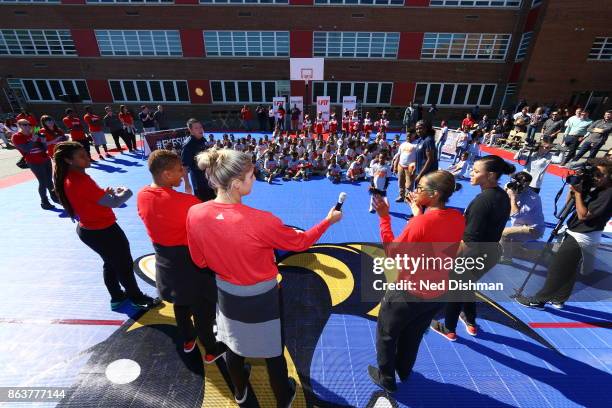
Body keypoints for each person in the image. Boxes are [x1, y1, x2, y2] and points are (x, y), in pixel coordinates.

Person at [186, 148, 342, 406]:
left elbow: (199, 260)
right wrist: (328, 221)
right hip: (262, 297)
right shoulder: (262, 221)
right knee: (273, 352)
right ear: (236, 184)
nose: (255, 179)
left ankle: (240, 392)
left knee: (233, 345)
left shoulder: (195, 213)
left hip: (225, 293)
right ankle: (284, 397)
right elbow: (301, 242)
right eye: (250, 175)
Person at [367, 170, 465, 393]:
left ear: (435, 193)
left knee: (387, 335)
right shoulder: (458, 218)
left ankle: (387, 379)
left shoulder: (420, 223)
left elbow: (393, 253)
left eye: (420, 188)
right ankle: (404, 370)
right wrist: (418, 212)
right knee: (414, 334)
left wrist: (384, 217)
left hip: (408, 292)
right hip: (437, 291)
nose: (415, 191)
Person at [137, 150, 223, 362]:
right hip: (190, 263)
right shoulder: (187, 203)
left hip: (166, 263)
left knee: (180, 302)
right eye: (178, 170)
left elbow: (174, 204)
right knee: (203, 308)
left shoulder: (143, 195)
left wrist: (184, 182)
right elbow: (211, 220)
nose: (182, 172)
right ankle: (211, 349)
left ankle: (187, 339)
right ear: (166, 174)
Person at [53, 141, 160, 310]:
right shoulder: (80, 181)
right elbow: (114, 202)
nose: (87, 157)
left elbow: (92, 198)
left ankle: (116, 297)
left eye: (86, 153)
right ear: (68, 160)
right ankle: (137, 298)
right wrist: (126, 192)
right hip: (103, 231)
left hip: (91, 230)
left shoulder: (73, 178)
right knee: (123, 264)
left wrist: (104, 194)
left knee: (110, 263)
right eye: (81, 156)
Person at [431, 155, 513, 340]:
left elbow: (469, 242)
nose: (471, 173)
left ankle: (449, 329)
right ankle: (470, 321)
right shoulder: (501, 196)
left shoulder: (482, 202)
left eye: (476, 171)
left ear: (490, 175)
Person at [517, 158, 612, 309]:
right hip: (576, 231)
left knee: (557, 268)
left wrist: (579, 193)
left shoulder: (608, 193)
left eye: (601, 175)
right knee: (568, 268)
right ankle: (559, 299)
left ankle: (539, 300)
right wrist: (573, 190)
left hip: (583, 236)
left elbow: (583, 215)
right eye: (595, 174)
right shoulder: (595, 187)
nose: (596, 178)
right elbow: (570, 203)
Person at [11, 119, 58, 209]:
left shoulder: (35, 132)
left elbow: (44, 148)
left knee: (49, 180)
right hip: (34, 162)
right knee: (42, 182)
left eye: (29, 124)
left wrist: (43, 141)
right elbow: (26, 149)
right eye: (25, 124)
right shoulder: (16, 136)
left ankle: (54, 196)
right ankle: (44, 201)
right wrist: (33, 140)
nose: (28, 126)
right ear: (19, 125)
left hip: (45, 159)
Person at [500, 172, 545, 263]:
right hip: (518, 225)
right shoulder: (510, 187)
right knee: (514, 251)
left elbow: (515, 214)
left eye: (525, 185)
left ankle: (506, 258)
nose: (522, 187)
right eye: (520, 183)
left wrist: (512, 197)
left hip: (532, 228)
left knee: (503, 233)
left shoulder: (533, 197)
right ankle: (542, 254)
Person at [181, 118, 215, 202]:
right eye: (196, 128)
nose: (200, 129)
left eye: (200, 127)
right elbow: (184, 166)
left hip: (209, 177)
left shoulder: (203, 139)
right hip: (198, 180)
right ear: (191, 130)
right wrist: (187, 184)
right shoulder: (188, 145)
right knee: (203, 203)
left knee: (214, 201)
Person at [413, 120, 438, 188]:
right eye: (416, 129)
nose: (418, 130)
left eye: (420, 128)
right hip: (420, 173)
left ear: (426, 128)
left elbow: (430, 159)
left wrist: (420, 175)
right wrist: (415, 168)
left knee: (425, 195)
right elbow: (419, 156)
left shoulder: (428, 140)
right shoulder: (420, 140)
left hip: (428, 175)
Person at [394, 132, 417, 202]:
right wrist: (395, 166)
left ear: (413, 136)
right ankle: (401, 196)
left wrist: (414, 169)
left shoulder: (416, 145)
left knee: (409, 184)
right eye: (407, 136)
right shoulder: (402, 144)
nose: (408, 137)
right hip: (401, 166)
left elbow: (417, 159)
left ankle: (408, 197)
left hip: (410, 168)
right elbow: (398, 155)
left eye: (410, 136)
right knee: (400, 182)